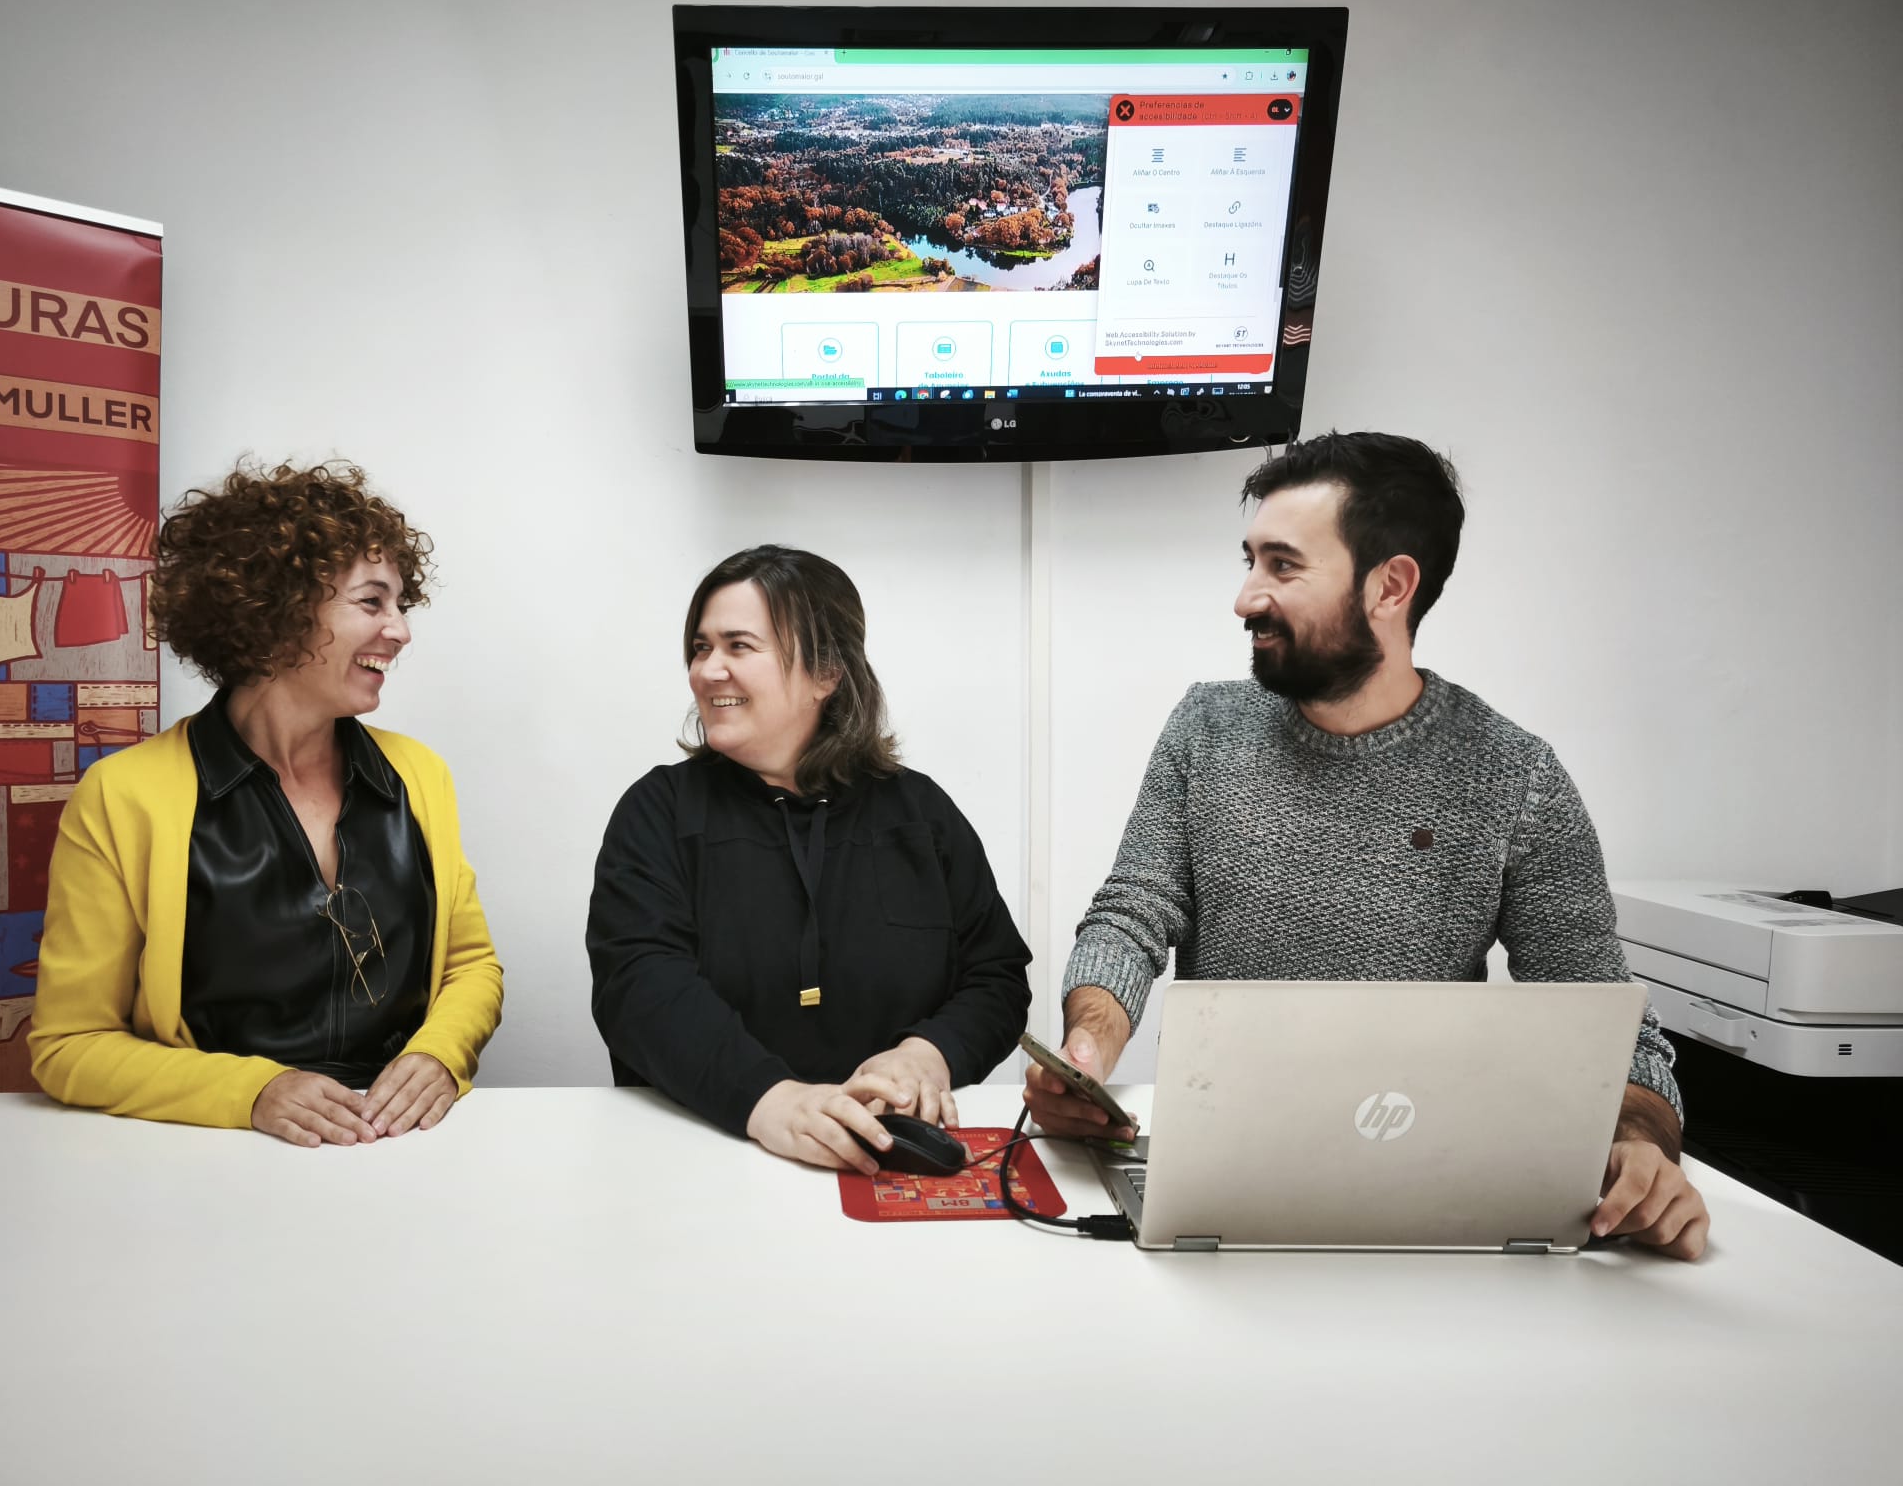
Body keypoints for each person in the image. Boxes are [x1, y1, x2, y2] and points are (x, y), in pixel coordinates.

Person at [1023, 432, 1710, 1259]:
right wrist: (1088, 1049)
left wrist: (1641, 1142)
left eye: (1283, 566)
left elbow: (1609, 1019)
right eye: (1250, 561)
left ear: (1391, 586)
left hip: (1435, 1199)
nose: (1245, 597)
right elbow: (1132, 914)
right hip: (1219, 1183)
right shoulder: (1206, 728)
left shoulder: (1514, 773)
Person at [30, 461, 503, 1147]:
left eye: (401, 605)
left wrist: (439, 1054)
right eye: (372, 603)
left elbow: (470, 966)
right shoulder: (123, 795)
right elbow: (68, 1044)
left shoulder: (419, 774)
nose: (400, 631)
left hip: (400, 1147)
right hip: (218, 1146)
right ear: (278, 613)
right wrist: (252, 1094)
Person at [588, 545, 1030, 1175]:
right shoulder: (657, 811)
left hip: (888, 1162)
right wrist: (774, 1104)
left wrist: (928, 1053)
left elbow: (996, 976)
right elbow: (639, 988)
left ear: (826, 672)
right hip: (704, 1157)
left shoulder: (921, 814)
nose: (709, 670)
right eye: (701, 647)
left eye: (739, 646)